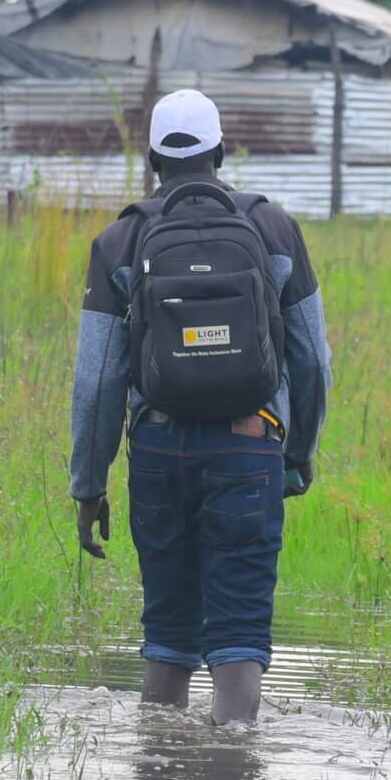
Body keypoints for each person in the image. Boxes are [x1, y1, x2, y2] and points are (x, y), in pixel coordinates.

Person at [69, 89, 332, 726]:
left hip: (158, 453)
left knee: (168, 631)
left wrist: (89, 485)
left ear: (153, 160)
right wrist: (295, 454)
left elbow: (97, 381)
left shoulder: (119, 240)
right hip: (250, 446)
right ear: (218, 152)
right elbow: (312, 359)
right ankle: (232, 775)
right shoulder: (274, 228)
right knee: (239, 628)